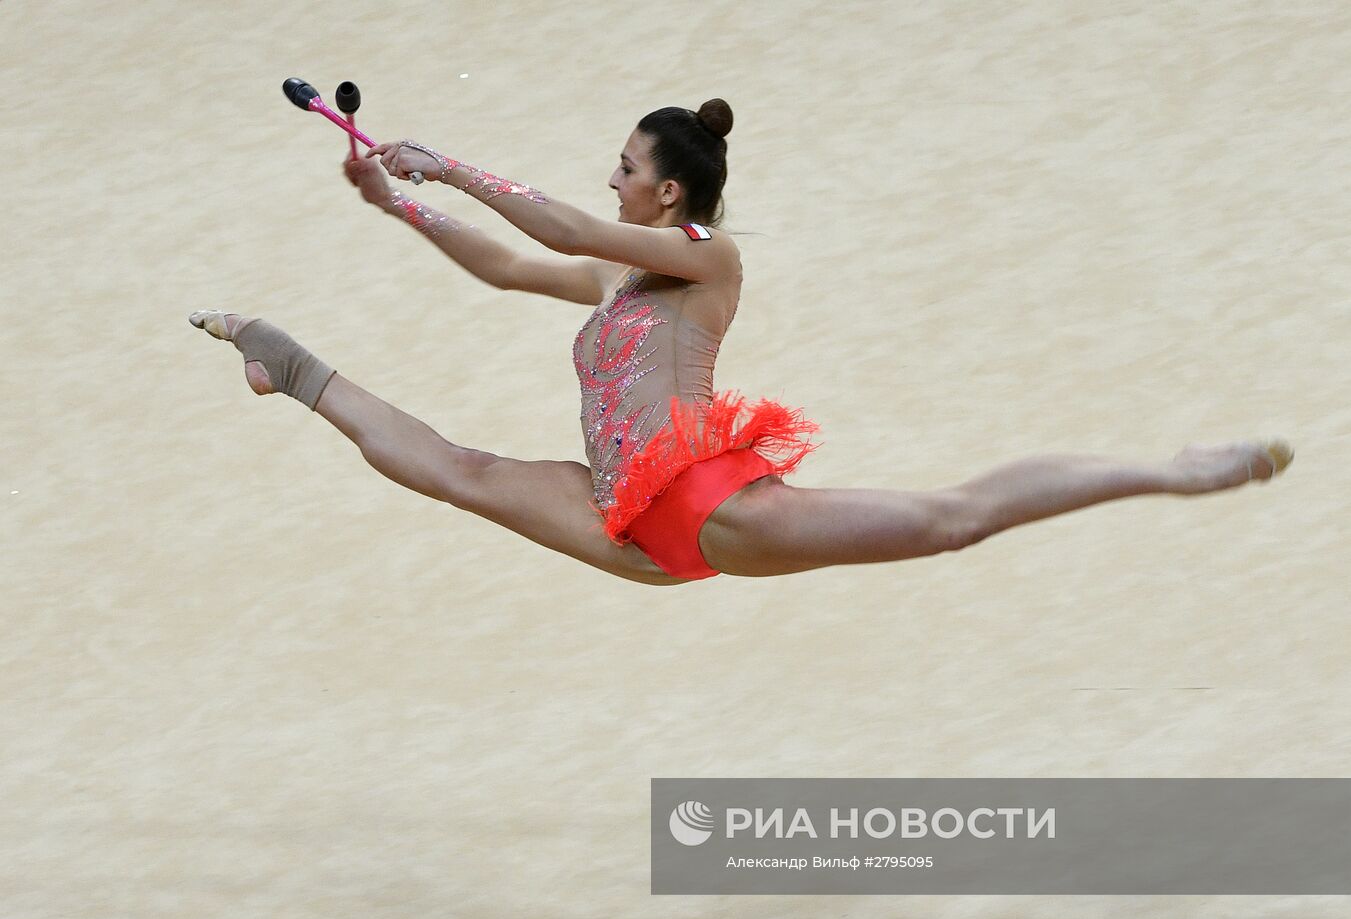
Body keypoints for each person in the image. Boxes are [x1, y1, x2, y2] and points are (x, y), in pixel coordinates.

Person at [189, 98, 1292, 587]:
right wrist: (394, 202)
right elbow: (514, 261)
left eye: (624, 165)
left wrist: (453, 163)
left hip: (707, 499)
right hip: (625, 520)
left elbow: (561, 226)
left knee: (950, 521)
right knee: (459, 473)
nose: (609, 177)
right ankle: (282, 360)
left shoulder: (705, 259)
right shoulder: (625, 274)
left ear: (668, 192)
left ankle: (1172, 470)